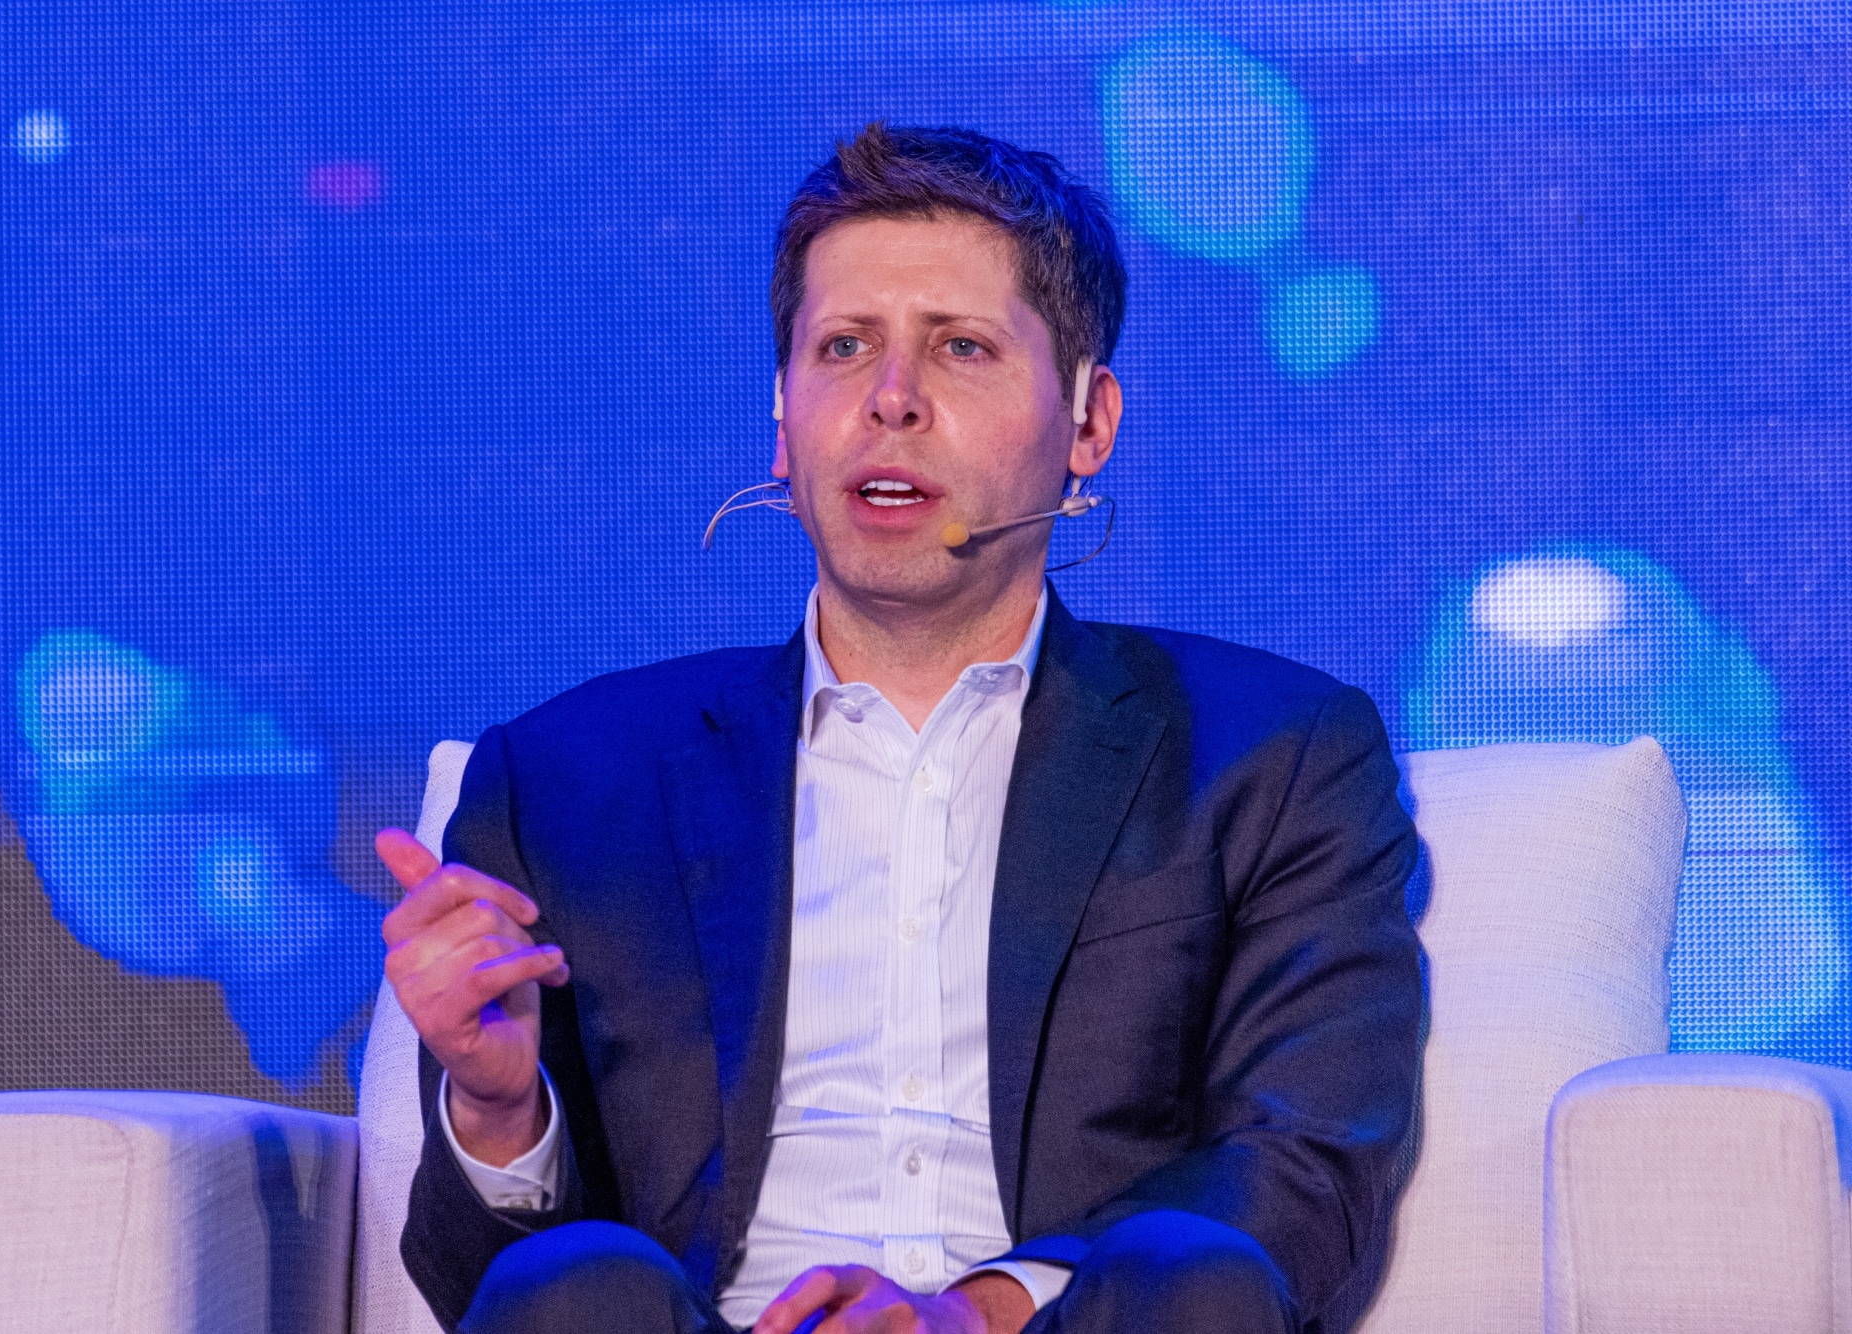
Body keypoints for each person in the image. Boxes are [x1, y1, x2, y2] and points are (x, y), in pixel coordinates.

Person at [373, 123, 1422, 1334]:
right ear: (781, 419)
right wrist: (500, 1113)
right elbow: (487, 1293)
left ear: (1088, 424)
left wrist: (970, 1310)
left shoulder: (1270, 756)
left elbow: (1302, 1165)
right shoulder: (564, 781)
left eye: (960, 348)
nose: (889, 400)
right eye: (842, 347)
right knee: (571, 1286)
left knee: (1194, 1271)